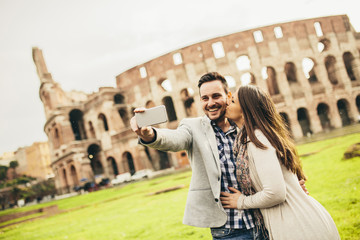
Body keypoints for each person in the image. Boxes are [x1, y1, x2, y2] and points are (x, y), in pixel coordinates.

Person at [130, 72, 306, 240]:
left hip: (266, 221)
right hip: (229, 231)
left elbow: (270, 163)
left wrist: (291, 185)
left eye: (216, 96)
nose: (210, 103)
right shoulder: (193, 127)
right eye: (204, 98)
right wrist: (148, 134)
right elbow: (173, 139)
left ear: (228, 96)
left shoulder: (245, 127)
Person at [220, 85, 340, 240]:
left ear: (246, 110)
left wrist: (241, 201)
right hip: (295, 222)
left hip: (299, 226)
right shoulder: (248, 139)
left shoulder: (258, 139)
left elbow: (275, 193)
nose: (227, 102)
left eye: (233, 100)